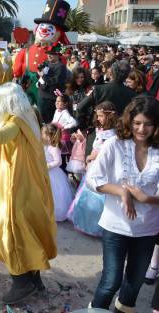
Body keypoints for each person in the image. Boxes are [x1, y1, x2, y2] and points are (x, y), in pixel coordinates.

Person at [0, 82, 56, 304]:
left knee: (6, 228)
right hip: (31, 186)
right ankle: (34, 277)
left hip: (16, 187)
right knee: (29, 227)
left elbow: (3, 135)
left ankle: (22, 281)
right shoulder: (30, 117)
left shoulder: (15, 122)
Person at [87, 96, 159, 312]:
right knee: (110, 282)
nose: (141, 129)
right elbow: (93, 178)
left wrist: (146, 198)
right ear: (129, 121)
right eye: (137, 123)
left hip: (147, 229)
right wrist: (122, 191)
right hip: (115, 226)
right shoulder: (115, 144)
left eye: (147, 124)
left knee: (134, 285)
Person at [68, 101, 117, 237]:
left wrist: (91, 157)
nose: (99, 118)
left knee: (96, 195)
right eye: (98, 115)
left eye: (101, 116)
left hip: (101, 166)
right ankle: (85, 223)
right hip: (93, 164)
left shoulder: (111, 135)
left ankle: (95, 226)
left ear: (109, 117)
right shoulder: (101, 131)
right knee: (87, 192)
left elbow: (103, 151)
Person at [41, 123, 74, 221]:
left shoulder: (53, 147)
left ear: (48, 136)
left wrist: (48, 166)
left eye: (43, 134)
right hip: (45, 171)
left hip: (53, 173)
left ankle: (56, 212)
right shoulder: (45, 146)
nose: (41, 136)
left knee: (55, 193)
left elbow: (58, 161)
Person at [37, 46, 67, 123]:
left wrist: (42, 76)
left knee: (49, 120)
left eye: (52, 54)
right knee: (41, 118)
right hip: (42, 94)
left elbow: (55, 81)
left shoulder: (61, 67)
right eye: (48, 54)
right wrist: (40, 71)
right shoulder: (46, 63)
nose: (49, 56)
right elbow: (40, 72)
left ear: (57, 55)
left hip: (51, 97)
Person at [52, 94, 77, 169]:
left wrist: (64, 127)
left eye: (59, 101)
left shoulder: (65, 113)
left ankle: (68, 171)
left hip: (64, 138)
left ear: (65, 103)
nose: (57, 103)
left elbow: (74, 122)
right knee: (59, 156)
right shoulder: (57, 111)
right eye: (56, 101)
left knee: (64, 157)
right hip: (57, 136)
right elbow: (54, 121)